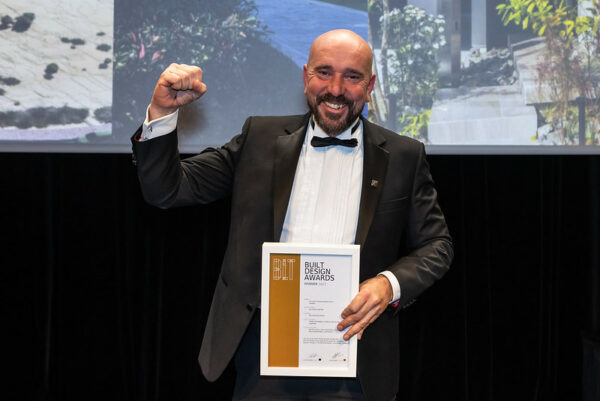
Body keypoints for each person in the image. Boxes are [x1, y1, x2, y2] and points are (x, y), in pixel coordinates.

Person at [132, 29, 453, 401]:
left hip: (355, 356)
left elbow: (437, 245)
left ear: (370, 86)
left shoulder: (403, 155)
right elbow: (167, 190)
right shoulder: (259, 138)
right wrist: (162, 112)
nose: (336, 89)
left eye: (352, 76)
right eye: (324, 72)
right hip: (264, 356)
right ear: (305, 77)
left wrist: (388, 284)